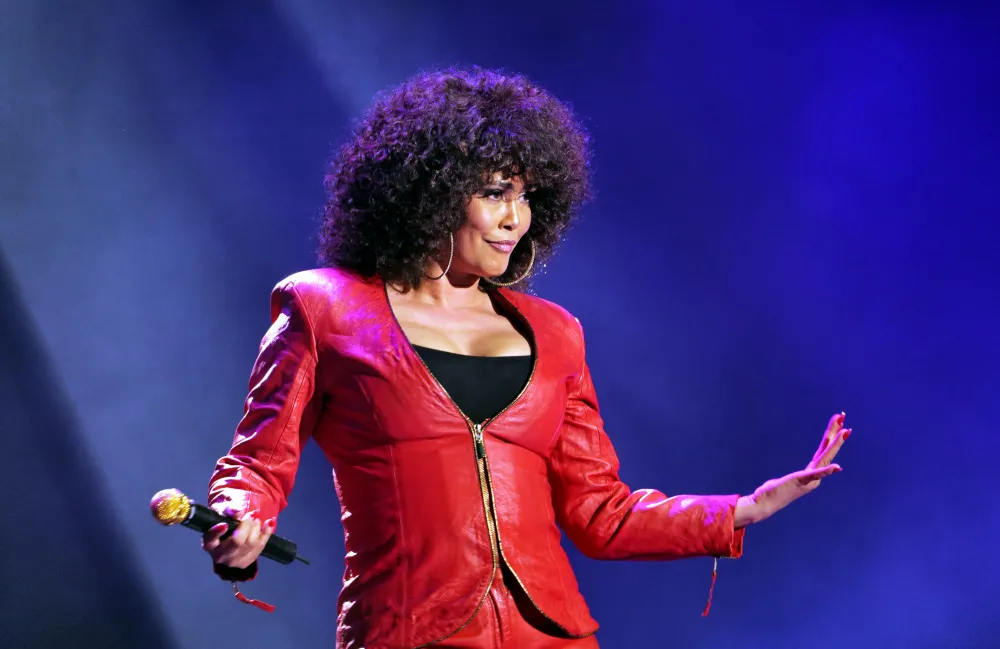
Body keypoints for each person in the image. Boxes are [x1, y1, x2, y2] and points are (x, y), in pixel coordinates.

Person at [202, 67, 851, 648]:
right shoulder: (325, 308)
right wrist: (239, 519)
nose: (517, 218)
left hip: (555, 638)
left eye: (528, 196)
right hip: (409, 633)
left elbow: (602, 515)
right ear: (429, 193)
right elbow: (257, 464)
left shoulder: (556, 332)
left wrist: (741, 509)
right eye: (495, 193)